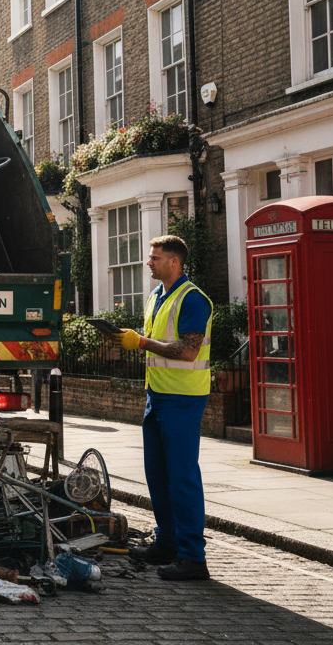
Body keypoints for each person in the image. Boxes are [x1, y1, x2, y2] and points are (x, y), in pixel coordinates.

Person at [103, 235, 214, 581]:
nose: (148, 262)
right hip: (156, 396)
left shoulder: (193, 299)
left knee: (182, 479)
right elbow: (157, 345)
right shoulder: (155, 297)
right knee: (157, 476)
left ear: (174, 262)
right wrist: (127, 339)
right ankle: (167, 543)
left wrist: (141, 341)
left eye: (155, 257)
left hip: (183, 399)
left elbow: (188, 351)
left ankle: (193, 558)